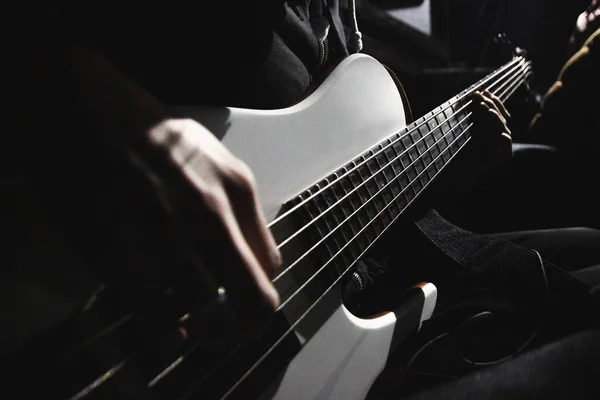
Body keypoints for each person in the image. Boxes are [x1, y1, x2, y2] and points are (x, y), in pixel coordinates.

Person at [3, 0, 600, 398]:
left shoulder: (338, 22)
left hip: (349, 291)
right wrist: (73, 89)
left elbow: (351, 186)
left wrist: (450, 176)